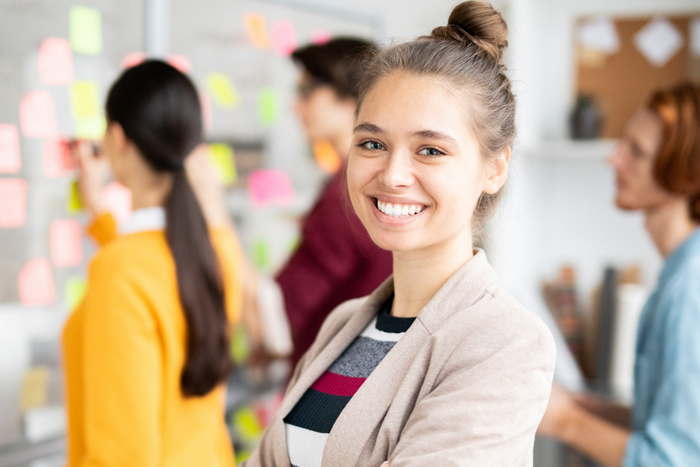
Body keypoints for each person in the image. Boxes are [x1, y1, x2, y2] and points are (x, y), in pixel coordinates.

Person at [242, 2, 555, 466]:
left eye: (429, 150)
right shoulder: (344, 325)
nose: (393, 174)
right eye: (372, 144)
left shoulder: (505, 341)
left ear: (495, 167)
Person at [62, 61, 242, 467]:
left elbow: (122, 456)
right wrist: (100, 217)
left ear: (117, 139)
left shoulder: (122, 271)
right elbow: (161, 284)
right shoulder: (218, 253)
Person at [537, 82, 700, 466]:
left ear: (688, 177)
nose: (614, 158)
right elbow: (674, 424)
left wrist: (566, 421)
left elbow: (674, 460)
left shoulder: (689, 288)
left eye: (636, 152)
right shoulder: (680, 272)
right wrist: (590, 409)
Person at [274, 38, 393, 368]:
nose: (296, 107)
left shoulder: (347, 193)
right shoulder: (374, 185)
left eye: (306, 92)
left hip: (331, 379)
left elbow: (282, 313)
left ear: (350, 96)